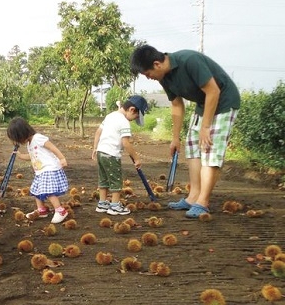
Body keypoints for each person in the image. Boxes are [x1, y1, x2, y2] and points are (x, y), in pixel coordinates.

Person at [130, 45, 241, 218]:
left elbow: (213, 91)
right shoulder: (164, 78)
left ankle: (203, 202)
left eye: (147, 74)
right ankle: (193, 197)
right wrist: (175, 138)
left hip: (223, 102)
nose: (149, 78)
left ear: (157, 64)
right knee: (192, 147)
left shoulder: (189, 61)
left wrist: (206, 127)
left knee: (210, 150)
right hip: (203, 105)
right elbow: (176, 105)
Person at [92, 96, 148, 216]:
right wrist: (136, 158)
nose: (134, 120)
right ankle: (115, 206)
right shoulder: (124, 122)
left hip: (101, 152)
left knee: (104, 178)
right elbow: (126, 143)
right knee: (116, 180)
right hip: (112, 154)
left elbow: (98, 132)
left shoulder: (110, 116)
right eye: (136, 117)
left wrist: (95, 148)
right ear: (132, 110)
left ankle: (102, 203)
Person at [6, 117, 69, 224]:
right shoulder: (29, 144)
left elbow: (52, 148)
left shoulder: (38, 138)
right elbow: (32, 156)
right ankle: (42, 210)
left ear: (22, 134)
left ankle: (60, 210)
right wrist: (20, 156)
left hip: (49, 169)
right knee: (36, 191)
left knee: (48, 191)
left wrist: (62, 158)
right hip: (40, 172)